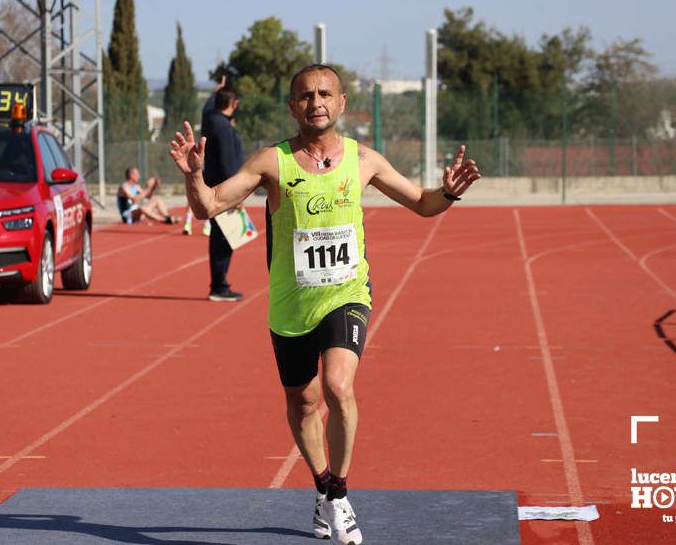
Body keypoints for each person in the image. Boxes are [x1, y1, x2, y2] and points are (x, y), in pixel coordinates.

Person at [169, 64, 480, 544]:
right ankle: (320, 487)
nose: (316, 102)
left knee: (337, 386)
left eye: (325, 94)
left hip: (347, 294)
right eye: (306, 95)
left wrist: (450, 192)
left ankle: (338, 494)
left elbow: (421, 201)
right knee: (303, 401)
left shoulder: (365, 161)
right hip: (291, 307)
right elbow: (208, 206)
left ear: (341, 102)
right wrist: (194, 175)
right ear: (293, 106)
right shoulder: (272, 162)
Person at [200, 76, 244, 301]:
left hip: (216, 187)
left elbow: (207, 108)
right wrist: (237, 192)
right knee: (224, 238)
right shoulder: (223, 127)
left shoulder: (210, 119)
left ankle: (220, 283)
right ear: (233, 103)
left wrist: (214, 94)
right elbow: (228, 162)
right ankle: (219, 286)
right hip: (225, 190)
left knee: (224, 236)